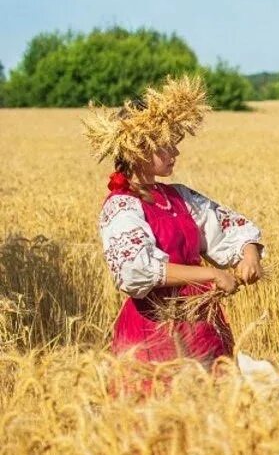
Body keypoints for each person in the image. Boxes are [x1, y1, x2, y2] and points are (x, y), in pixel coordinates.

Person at [86, 74, 264, 378]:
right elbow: (135, 270)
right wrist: (210, 273)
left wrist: (249, 256)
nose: (176, 153)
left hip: (202, 326)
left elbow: (231, 228)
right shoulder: (121, 207)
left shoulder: (179, 196)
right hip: (153, 335)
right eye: (166, 146)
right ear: (138, 150)